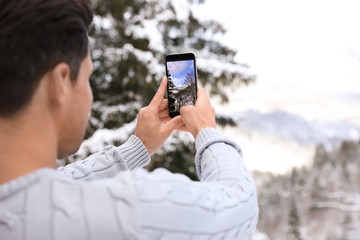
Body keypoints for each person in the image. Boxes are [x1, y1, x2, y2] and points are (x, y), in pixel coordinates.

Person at [0, 0, 258, 239]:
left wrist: (138, 147)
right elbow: (240, 205)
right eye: (88, 78)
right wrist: (206, 131)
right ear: (60, 83)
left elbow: (58, 181)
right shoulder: (123, 211)